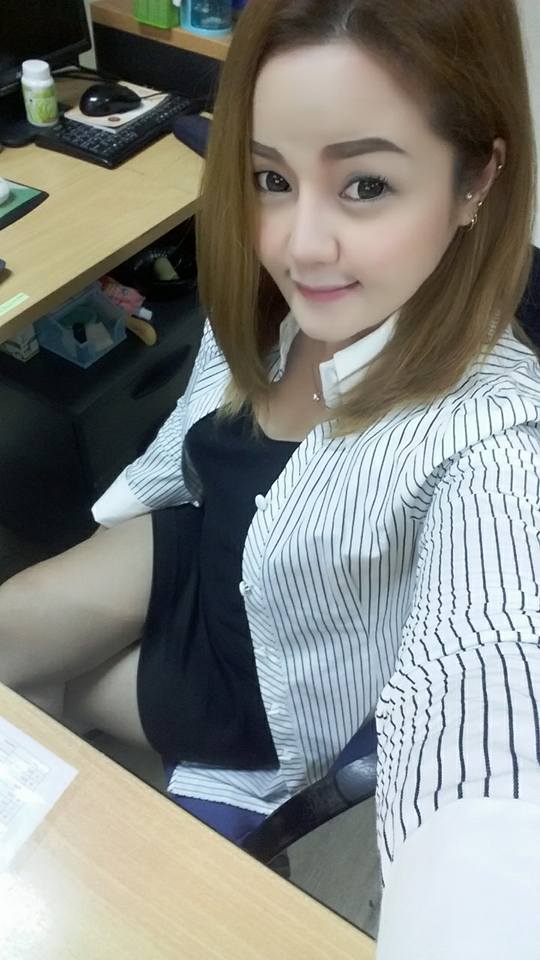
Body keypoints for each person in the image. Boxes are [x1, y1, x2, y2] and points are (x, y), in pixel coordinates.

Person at [1, 0, 540, 954]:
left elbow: (489, 689)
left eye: (366, 184)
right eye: (270, 177)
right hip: (205, 547)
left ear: (477, 179)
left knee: (41, 727)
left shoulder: (493, 436)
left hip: (258, 681)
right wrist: (111, 533)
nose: (299, 244)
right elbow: (187, 452)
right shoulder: (269, 299)